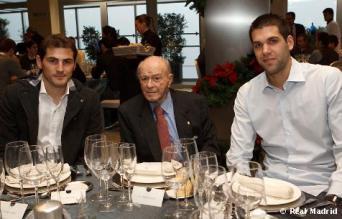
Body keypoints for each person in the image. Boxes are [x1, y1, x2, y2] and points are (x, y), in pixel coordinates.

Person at [226, 14, 342, 199]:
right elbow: (238, 156)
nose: (265, 50)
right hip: (270, 191)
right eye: (258, 45)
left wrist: (334, 197)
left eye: (272, 41)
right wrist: (243, 190)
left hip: (321, 190)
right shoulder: (247, 93)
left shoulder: (327, 79)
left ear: (289, 42)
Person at [0, 34, 104, 164]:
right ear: (39, 62)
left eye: (67, 62)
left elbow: (91, 153)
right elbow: (8, 149)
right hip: (28, 177)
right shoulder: (15, 95)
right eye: (52, 61)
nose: (60, 69)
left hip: (72, 177)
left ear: (74, 65)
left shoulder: (89, 99)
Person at [118, 56, 221, 162]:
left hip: (191, 172)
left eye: (156, 78)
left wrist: (195, 170)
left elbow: (211, 145)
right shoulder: (129, 111)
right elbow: (128, 157)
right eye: (144, 79)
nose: (149, 85)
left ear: (169, 80)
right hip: (152, 176)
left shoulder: (195, 104)